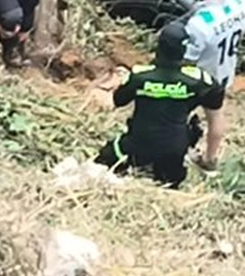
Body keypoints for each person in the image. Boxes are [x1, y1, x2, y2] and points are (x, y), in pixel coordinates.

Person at [96, 29, 227, 187]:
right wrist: (209, 160)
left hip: (137, 147)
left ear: (159, 47)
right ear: (185, 50)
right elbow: (216, 122)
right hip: (174, 153)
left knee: (101, 163)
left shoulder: (139, 76)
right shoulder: (201, 81)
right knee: (169, 182)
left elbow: (116, 101)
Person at [179, 0, 245, 91]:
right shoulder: (242, 3)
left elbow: (187, 60)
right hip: (227, 77)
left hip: (202, 85)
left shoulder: (199, 24)